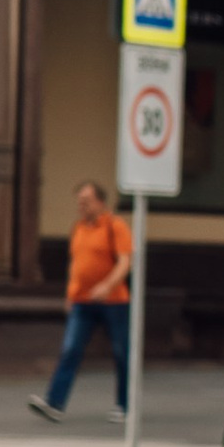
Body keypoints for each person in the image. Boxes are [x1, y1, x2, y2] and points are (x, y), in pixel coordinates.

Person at [31, 179, 131, 424]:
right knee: (70, 350)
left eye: (86, 201)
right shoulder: (78, 228)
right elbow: (76, 265)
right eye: (79, 202)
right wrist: (70, 294)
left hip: (114, 302)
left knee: (122, 352)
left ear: (100, 202)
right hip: (82, 301)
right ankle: (54, 403)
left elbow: (125, 261)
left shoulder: (115, 226)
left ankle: (125, 405)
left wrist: (107, 285)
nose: (81, 206)